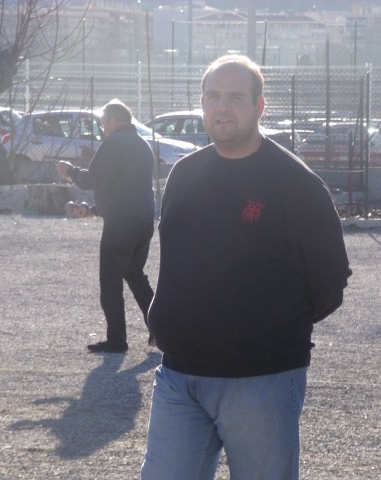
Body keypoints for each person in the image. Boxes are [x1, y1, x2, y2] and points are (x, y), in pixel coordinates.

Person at [141, 55, 352, 479]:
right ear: (202, 103)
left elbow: (329, 282)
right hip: (179, 376)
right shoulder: (184, 174)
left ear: (259, 106)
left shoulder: (295, 183)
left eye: (236, 97)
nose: (222, 107)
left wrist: (266, 330)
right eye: (213, 97)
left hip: (260, 379)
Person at [56, 99, 155, 354]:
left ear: (112, 120)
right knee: (135, 275)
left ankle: (117, 340)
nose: (103, 128)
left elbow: (93, 179)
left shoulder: (114, 143)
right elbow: (124, 187)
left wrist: (70, 171)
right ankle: (160, 331)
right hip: (144, 220)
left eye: (103, 123)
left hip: (120, 224)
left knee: (110, 282)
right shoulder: (142, 144)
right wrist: (95, 210)